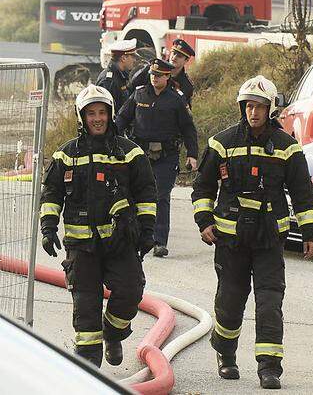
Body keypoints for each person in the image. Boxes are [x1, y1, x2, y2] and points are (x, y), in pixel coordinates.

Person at [191, 75, 313, 389]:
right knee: (230, 301)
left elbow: (303, 192)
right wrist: (204, 221)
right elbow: (203, 187)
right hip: (231, 239)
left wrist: (310, 232)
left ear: (270, 109)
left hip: (268, 240)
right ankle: (225, 351)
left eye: (260, 107)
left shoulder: (287, 147)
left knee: (270, 301)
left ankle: (269, 368)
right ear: (242, 107)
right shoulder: (222, 143)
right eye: (249, 106)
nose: (254, 112)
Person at [39, 84, 157, 368]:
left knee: (130, 293)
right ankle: (89, 372)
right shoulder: (66, 156)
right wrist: (48, 227)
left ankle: (114, 333)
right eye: (90, 113)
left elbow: (146, 193)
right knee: (85, 309)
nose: (97, 118)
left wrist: (147, 231)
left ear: (110, 114)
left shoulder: (130, 153)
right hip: (82, 248)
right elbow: (51, 193)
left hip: (121, 242)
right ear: (81, 117)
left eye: (102, 112)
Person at [116, 58, 198, 258]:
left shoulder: (176, 99)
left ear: (167, 76)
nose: (155, 78)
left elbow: (188, 128)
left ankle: (159, 241)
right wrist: (112, 141)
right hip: (140, 155)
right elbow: (122, 118)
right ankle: (136, 235)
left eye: (159, 75)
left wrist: (192, 154)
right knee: (135, 194)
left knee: (161, 197)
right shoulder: (139, 94)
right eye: (153, 74)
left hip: (166, 156)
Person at [130, 39, 195, 108]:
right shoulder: (152, 69)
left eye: (179, 56)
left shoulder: (186, 85)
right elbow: (132, 86)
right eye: (173, 53)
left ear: (186, 60)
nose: (174, 57)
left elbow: (185, 110)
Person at [96, 38, 138, 113]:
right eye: (132, 56)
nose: (134, 60)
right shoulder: (108, 81)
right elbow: (106, 111)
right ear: (123, 58)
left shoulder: (121, 75)